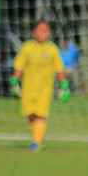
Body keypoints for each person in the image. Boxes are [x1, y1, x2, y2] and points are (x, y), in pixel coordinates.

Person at [11, 20, 69, 153]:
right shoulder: (27, 47)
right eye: (40, 30)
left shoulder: (52, 49)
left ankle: (36, 143)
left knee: (41, 115)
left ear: (49, 33)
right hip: (28, 89)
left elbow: (59, 69)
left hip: (45, 89)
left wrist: (64, 86)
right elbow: (20, 66)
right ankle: (39, 137)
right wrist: (15, 81)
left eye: (46, 30)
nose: (43, 33)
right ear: (34, 32)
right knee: (31, 115)